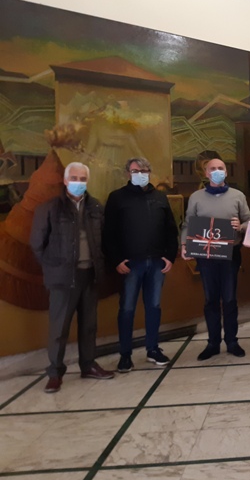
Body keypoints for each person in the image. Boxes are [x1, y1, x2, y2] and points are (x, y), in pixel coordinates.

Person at [30, 162, 114, 393]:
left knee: (89, 325)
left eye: (83, 179)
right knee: (59, 329)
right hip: (63, 278)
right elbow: (37, 244)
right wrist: (55, 267)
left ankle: (88, 365)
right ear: (66, 181)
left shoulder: (95, 207)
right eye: (74, 178)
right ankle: (55, 373)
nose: (79, 183)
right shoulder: (50, 208)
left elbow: (104, 239)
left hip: (90, 275)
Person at [103, 157, 179, 372]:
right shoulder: (117, 198)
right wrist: (116, 259)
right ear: (128, 173)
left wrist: (169, 256)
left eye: (144, 170)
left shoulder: (160, 197)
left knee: (154, 307)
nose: (140, 174)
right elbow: (108, 233)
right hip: (130, 264)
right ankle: (125, 355)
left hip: (156, 263)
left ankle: (153, 349)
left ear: (149, 172)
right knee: (127, 308)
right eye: (136, 171)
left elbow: (170, 229)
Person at [181, 158, 250, 361]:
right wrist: (184, 244)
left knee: (229, 299)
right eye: (213, 169)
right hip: (206, 256)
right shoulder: (196, 197)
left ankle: (232, 341)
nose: (217, 171)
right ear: (206, 173)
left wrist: (241, 226)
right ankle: (213, 343)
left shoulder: (238, 196)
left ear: (226, 172)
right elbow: (188, 223)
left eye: (220, 168)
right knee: (211, 299)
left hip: (231, 254)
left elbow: (249, 221)